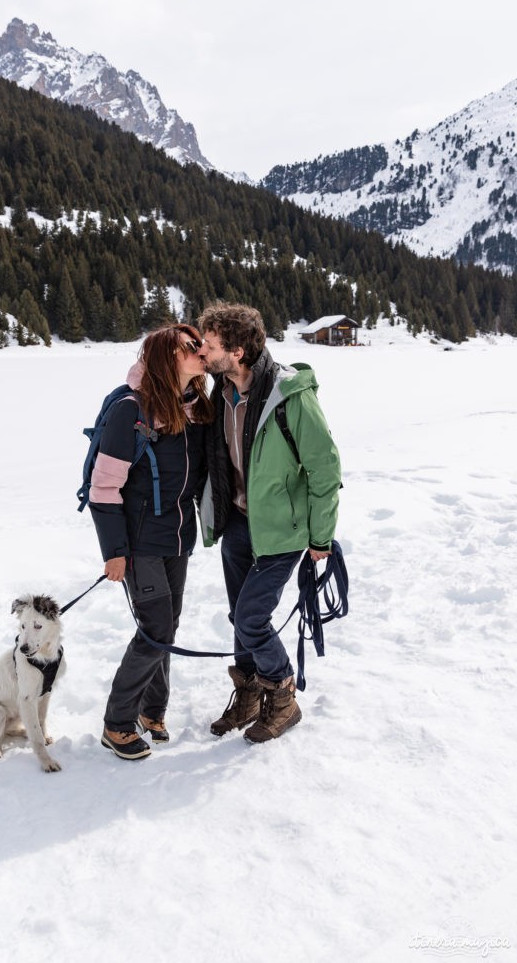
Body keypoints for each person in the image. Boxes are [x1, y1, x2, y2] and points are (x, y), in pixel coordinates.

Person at [197, 303, 341, 743]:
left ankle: (283, 699)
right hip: (238, 524)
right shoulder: (219, 392)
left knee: (252, 618)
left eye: (210, 344)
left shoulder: (290, 397)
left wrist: (321, 537)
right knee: (239, 614)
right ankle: (248, 696)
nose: (202, 351)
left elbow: (325, 469)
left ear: (236, 352)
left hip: (283, 530)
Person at [89, 324, 213, 760]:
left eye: (200, 345)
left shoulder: (195, 405)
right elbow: (104, 488)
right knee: (156, 628)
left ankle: (151, 710)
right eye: (190, 346)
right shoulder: (131, 410)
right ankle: (116, 724)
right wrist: (115, 551)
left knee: (167, 627)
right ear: (167, 356)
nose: (200, 351)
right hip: (139, 541)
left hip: (179, 536)